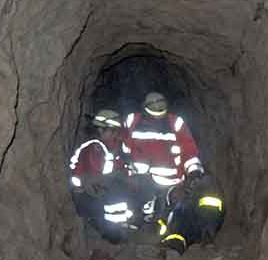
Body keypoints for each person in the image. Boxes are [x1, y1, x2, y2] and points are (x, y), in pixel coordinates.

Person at [122, 92, 204, 222]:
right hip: (141, 182)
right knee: (133, 208)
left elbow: (189, 152)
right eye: (153, 115)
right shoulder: (132, 121)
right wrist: (126, 172)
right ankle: (136, 222)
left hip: (172, 183)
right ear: (145, 109)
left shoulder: (175, 123)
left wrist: (194, 172)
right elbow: (124, 149)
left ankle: (165, 221)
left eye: (161, 114)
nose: (157, 119)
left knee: (176, 210)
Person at [69, 108, 133, 243]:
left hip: (96, 192)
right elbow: (93, 177)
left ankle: (117, 229)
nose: (116, 134)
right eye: (113, 131)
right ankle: (112, 234)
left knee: (122, 188)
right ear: (101, 130)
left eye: (117, 131)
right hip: (87, 196)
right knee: (115, 191)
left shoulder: (113, 146)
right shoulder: (94, 147)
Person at [157, 173, 225, 257]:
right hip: (187, 231)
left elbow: (213, 207)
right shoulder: (174, 212)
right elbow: (164, 226)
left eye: (176, 194)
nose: (176, 196)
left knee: (207, 206)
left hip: (202, 224)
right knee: (177, 225)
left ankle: (207, 237)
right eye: (173, 197)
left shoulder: (198, 196)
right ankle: (172, 247)